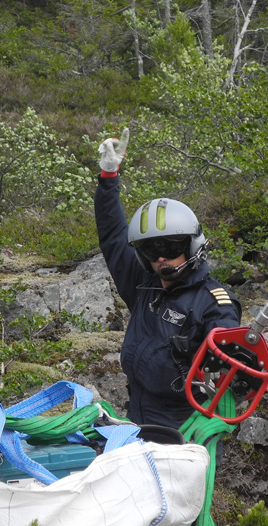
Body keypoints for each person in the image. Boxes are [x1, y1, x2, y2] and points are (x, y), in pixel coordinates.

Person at [94, 128, 243, 430]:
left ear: (191, 245)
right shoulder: (143, 285)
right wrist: (109, 178)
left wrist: (230, 353)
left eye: (170, 246)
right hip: (138, 415)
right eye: (151, 248)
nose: (161, 257)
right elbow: (112, 235)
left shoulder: (214, 303)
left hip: (185, 426)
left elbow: (229, 348)